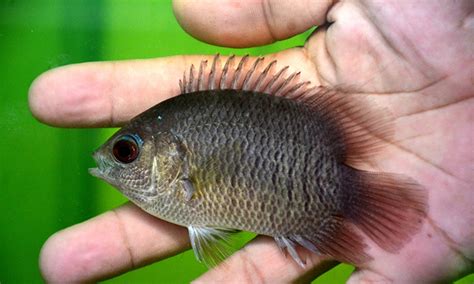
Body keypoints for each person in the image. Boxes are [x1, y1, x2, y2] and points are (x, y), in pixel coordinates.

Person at [29, 0, 473, 282]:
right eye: (123, 153)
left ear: (174, 160)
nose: (114, 160)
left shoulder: (182, 177)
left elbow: (205, 216)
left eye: (127, 152)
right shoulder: (177, 179)